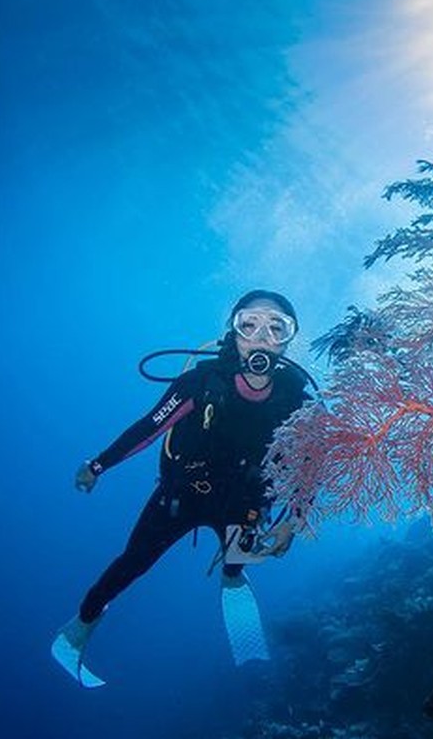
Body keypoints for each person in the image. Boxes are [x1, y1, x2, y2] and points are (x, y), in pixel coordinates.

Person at [52, 290, 312, 685]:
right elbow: (148, 428)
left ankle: (232, 577)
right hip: (181, 494)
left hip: (244, 502)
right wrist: (98, 465)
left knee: (238, 557)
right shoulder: (200, 383)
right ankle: (81, 625)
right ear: (233, 331)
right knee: (132, 562)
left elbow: (309, 466)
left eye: (277, 328)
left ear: (289, 340)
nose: (262, 336)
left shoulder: (298, 402)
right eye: (250, 324)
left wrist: (292, 522)